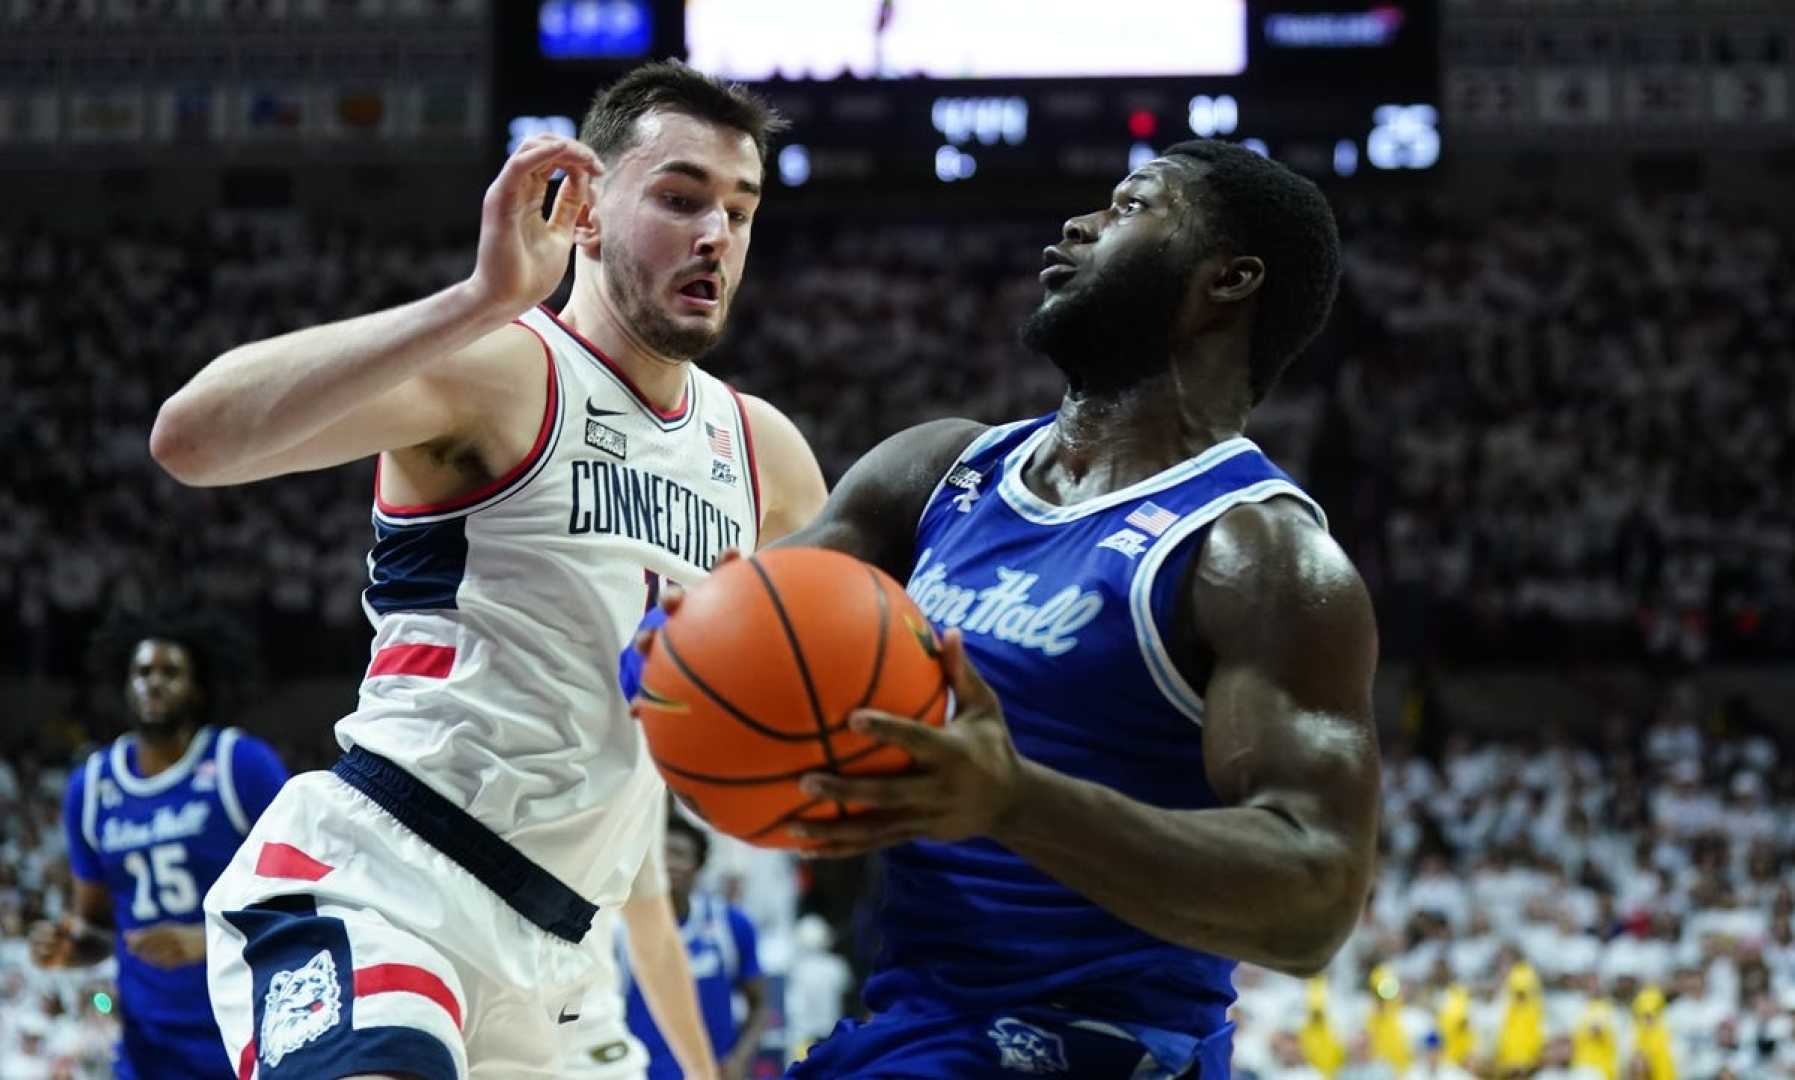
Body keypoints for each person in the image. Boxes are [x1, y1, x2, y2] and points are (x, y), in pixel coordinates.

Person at [150, 60, 828, 1079]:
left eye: (739, 209)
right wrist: (478, 298)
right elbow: (191, 440)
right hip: (385, 883)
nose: (714, 236)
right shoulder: (508, 371)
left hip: (568, 961)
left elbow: (835, 679)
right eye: (681, 197)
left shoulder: (764, 456)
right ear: (587, 213)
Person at [649, 138, 1380, 1078]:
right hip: (913, 1025)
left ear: (1225, 281)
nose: (1077, 224)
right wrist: (666, 645)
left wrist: (1012, 800)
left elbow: (1315, 896)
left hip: (1105, 1046)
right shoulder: (934, 473)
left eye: (1129, 208)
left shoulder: (1258, 554)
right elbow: (729, 638)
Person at [29, 608, 289, 1078]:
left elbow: (302, 900)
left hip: (249, 1028)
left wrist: (209, 939)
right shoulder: (90, 787)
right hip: (149, 1047)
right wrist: (68, 949)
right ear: (125, 685)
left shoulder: (242, 765)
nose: (154, 682)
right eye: (142, 671)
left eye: (171, 672)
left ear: (199, 688)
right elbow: (98, 928)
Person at [620, 813, 772, 1080]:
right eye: (659, 853)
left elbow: (760, 1006)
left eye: (678, 854)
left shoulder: (731, 924)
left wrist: (739, 1059)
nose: (667, 862)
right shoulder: (618, 929)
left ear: (698, 866)